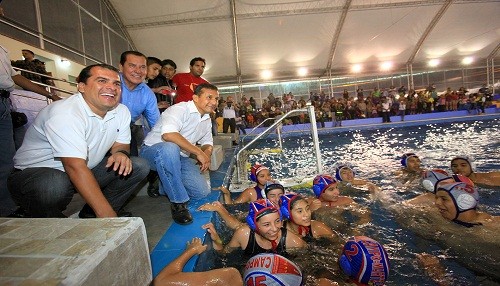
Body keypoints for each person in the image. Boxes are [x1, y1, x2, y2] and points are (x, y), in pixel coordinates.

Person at [7, 64, 150, 218]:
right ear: (81, 87)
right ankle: (41, 216)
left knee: (138, 166)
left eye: (116, 84)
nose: (111, 87)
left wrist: (121, 153)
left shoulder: (121, 111)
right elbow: (74, 167)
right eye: (102, 81)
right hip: (36, 176)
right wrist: (110, 219)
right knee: (54, 184)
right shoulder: (65, 113)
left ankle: (91, 216)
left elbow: (121, 143)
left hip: (82, 170)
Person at [140, 83, 219, 225]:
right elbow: (169, 135)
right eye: (209, 97)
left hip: (180, 156)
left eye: (216, 99)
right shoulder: (178, 109)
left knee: (201, 192)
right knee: (170, 148)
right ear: (195, 97)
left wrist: (206, 153)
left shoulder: (206, 118)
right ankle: (178, 203)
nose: (214, 102)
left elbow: (208, 142)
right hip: (153, 152)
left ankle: (161, 183)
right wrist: (197, 152)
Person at [0, 43, 58, 217]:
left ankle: (7, 209)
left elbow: (15, 77)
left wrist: (49, 94)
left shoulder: (2, 48)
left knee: (6, 160)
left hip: (3, 102)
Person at [202, 199, 306, 257]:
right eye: (266, 224)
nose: (274, 229)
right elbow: (223, 254)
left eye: (277, 221)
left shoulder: (292, 241)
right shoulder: (244, 235)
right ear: (253, 224)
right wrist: (216, 240)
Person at [153, 237, 242, 286]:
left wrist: (192, 250)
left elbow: (161, 281)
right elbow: (223, 253)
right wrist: (217, 240)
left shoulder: (231, 277)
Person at [119, 51, 160, 156]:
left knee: (136, 165)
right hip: (97, 126)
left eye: (142, 67)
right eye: (132, 66)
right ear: (121, 67)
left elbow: (155, 123)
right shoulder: (110, 83)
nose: (138, 71)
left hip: (125, 131)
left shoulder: (148, 94)